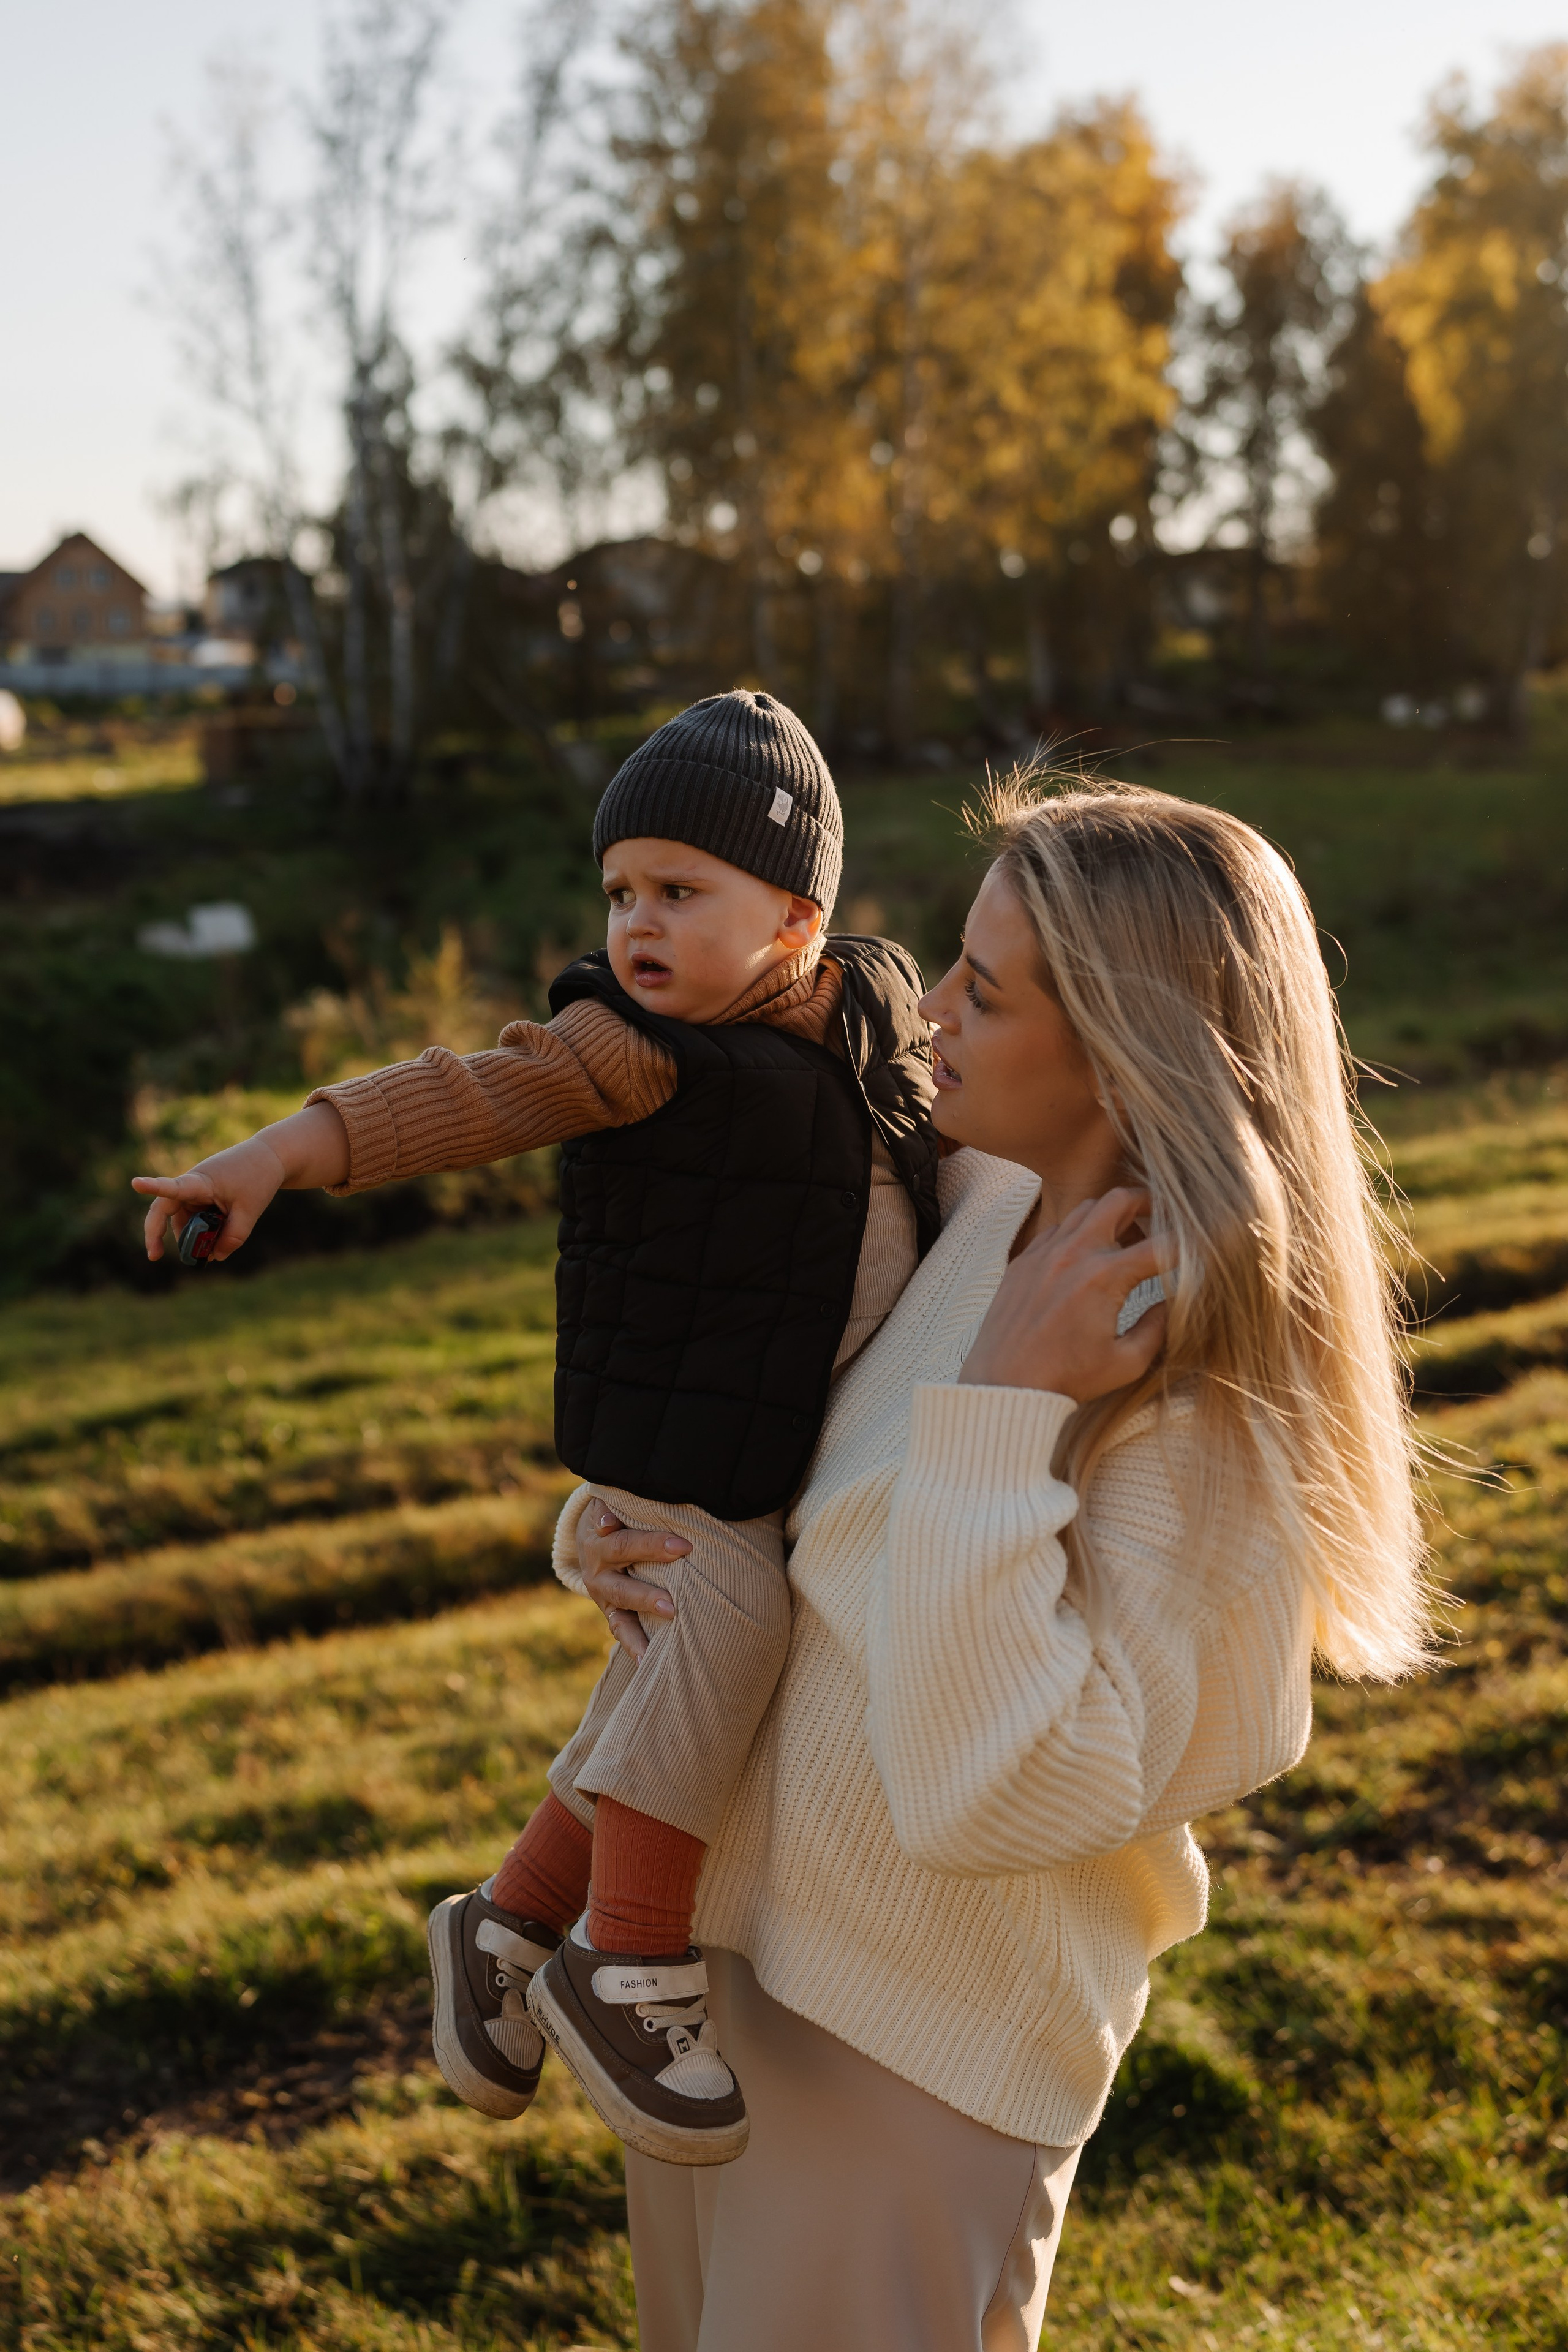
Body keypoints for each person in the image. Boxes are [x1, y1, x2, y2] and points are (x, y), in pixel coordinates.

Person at [560, 775, 1431, 2352]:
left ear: (1122, 1044)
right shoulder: (967, 1205)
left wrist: (1006, 1417)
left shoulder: (1191, 1386)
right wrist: (621, 1542)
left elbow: (998, 1792)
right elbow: (800, 1485)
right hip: (733, 1979)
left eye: (986, 986)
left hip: (914, 2051)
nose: (928, 1006)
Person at [131, 690, 941, 2167]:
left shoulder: (870, 1038)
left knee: (664, 1692)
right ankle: (626, 1968)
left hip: (765, 1439)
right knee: (728, 1624)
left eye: (679, 891)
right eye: (621, 890)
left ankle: (506, 1929)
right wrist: (273, 1156)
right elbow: (461, 1097)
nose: (637, 922)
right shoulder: (631, 1050)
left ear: (797, 916)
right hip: (688, 1439)